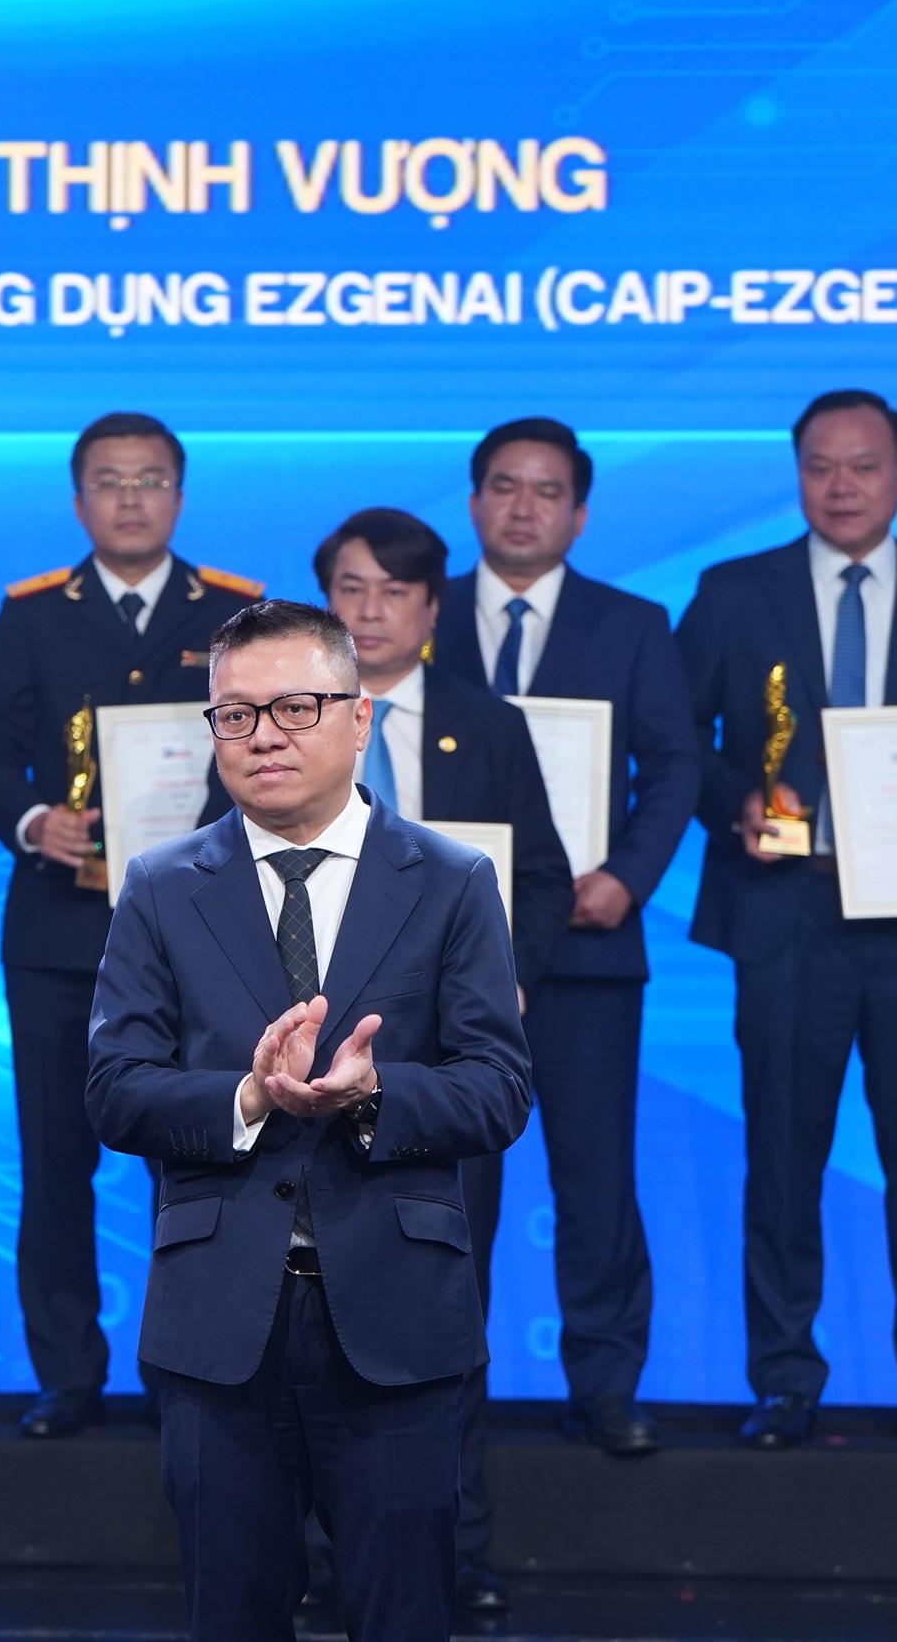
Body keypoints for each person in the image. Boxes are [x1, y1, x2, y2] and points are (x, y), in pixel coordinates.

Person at [88, 598, 533, 1642]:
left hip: (395, 1314)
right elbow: (114, 1087)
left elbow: (499, 1086)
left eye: (296, 706)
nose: (264, 736)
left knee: (402, 1613)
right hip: (220, 1323)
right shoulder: (160, 885)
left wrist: (372, 1092)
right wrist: (247, 1097)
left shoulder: (452, 879)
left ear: (359, 716)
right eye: (236, 715)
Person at [212, 507, 569, 1618]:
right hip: (265, 1145)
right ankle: (312, 1553)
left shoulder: (484, 727)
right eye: (350, 588)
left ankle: (456, 1541)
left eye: (393, 590)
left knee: (441, 1315)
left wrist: (501, 979)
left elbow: (541, 876)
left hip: (426, 1091)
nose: (372, 609)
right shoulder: (249, 768)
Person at [676, 388, 897, 1454]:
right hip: (786, 918)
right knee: (783, 1163)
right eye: (821, 466)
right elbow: (676, 737)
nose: (842, 486)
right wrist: (737, 800)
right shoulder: (735, 591)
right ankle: (785, 1379)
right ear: (797, 473)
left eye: (864, 466)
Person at [0, 411, 261, 1437]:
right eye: (109, 480)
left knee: (203, 1161)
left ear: (179, 494)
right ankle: (68, 1372)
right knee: (57, 1165)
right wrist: (31, 820)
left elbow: (272, 747)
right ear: (79, 498)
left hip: (205, 939)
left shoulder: (237, 610)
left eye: (150, 479)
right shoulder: (32, 612)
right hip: (59, 933)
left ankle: (200, 1370)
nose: (131, 498)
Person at [434, 419, 700, 1470]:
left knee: (595, 1180)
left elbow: (675, 765)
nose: (523, 506)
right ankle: (439, 1389)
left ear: (580, 514)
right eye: (504, 485)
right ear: (474, 501)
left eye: (547, 491)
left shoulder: (632, 623)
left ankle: (607, 1385)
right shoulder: (418, 614)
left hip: (589, 947)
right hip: (445, 960)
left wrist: (625, 875)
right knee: (444, 1188)